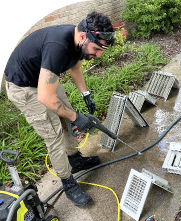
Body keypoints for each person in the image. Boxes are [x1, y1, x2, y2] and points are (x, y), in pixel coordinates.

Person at [4, 11, 115, 207]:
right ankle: (68, 183)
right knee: (54, 134)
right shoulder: (58, 47)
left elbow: (75, 67)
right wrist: (76, 117)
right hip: (24, 87)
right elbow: (45, 97)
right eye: (96, 49)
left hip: (43, 78)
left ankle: (74, 160)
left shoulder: (79, 43)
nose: (97, 55)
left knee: (67, 118)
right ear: (83, 36)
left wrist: (85, 94)